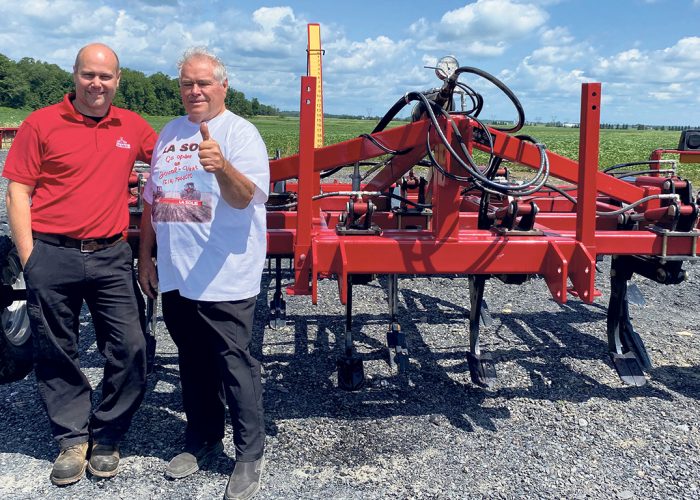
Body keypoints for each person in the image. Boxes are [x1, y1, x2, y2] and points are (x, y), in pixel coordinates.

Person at [3, 43, 156, 485]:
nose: (97, 84)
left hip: (110, 253)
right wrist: (31, 257)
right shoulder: (41, 123)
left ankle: (108, 433)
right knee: (55, 349)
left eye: (105, 77)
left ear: (118, 80)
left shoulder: (131, 125)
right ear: (74, 75)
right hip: (52, 251)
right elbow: (18, 191)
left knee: (131, 345)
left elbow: (172, 158)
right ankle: (72, 438)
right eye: (89, 74)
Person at [138, 47, 268, 500]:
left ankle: (249, 454)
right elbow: (153, 202)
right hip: (177, 274)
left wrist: (222, 164)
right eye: (187, 84)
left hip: (225, 275)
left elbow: (245, 197)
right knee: (192, 362)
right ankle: (203, 438)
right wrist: (146, 257)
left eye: (203, 83)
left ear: (222, 86)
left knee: (234, 364)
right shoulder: (170, 134)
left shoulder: (240, 134)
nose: (194, 91)